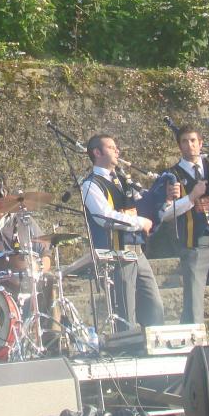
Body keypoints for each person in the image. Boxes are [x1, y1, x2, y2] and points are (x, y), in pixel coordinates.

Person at [157, 125, 209, 343]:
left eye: (194, 140)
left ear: (201, 143)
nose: (190, 145)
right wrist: (191, 197)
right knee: (194, 303)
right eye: (184, 141)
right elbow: (165, 214)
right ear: (179, 146)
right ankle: (195, 350)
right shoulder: (171, 175)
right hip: (195, 245)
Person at [81, 134, 164, 330]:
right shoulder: (91, 184)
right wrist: (138, 222)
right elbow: (105, 217)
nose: (117, 151)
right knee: (126, 312)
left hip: (137, 252)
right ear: (97, 152)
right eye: (111, 147)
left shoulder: (122, 180)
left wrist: (164, 197)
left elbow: (143, 202)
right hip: (117, 254)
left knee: (155, 306)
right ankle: (129, 350)